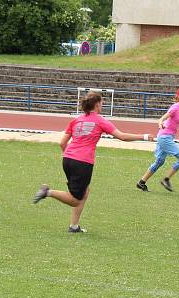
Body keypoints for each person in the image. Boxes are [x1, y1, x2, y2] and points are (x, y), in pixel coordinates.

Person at [32, 91, 152, 233]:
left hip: (67, 159)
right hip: (82, 163)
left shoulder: (76, 120)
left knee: (85, 191)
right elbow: (122, 137)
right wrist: (144, 136)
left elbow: (62, 142)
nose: (102, 105)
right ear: (96, 104)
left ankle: (74, 226)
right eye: (101, 103)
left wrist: (70, 156)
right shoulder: (100, 120)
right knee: (75, 200)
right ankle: (48, 192)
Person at [136, 87, 179, 192]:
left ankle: (141, 182)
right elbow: (162, 118)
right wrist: (160, 124)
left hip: (167, 137)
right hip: (164, 137)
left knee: (159, 162)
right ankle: (166, 179)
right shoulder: (175, 107)